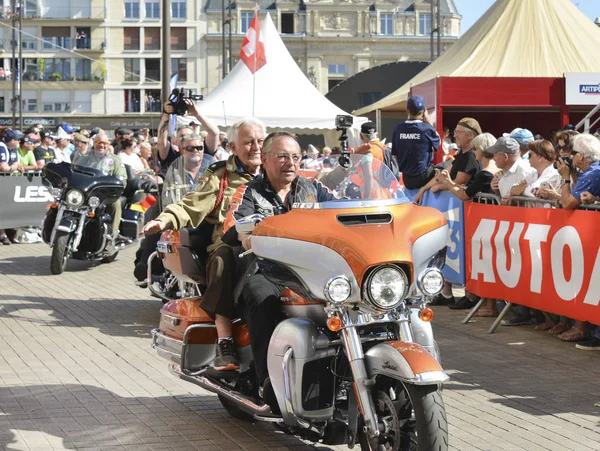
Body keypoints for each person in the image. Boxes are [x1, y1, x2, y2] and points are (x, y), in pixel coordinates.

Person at [140, 118, 266, 372]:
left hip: (276, 242)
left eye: (261, 141)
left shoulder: (277, 170)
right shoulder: (220, 176)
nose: (256, 147)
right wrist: (163, 220)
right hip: (232, 244)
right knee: (223, 259)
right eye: (248, 142)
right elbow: (190, 205)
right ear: (232, 146)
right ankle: (225, 341)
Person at [222, 131, 336, 411]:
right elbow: (233, 225)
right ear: (266, 159)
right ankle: (269, 383)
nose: (290, 163)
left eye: (296, 157)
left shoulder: (313, 189)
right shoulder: (249, 191)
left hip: (310, 268)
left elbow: (341, 209)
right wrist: (248, 234)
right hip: (265, 269)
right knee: (264, 301)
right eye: (283, 156)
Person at [415, 117, 482, 204]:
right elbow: (442, 175)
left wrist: (440, 186)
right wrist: (423, 189)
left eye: (458, 132)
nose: (455, 136)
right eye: (455, 132)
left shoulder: (470, 156)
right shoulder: (462, 154)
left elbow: (458, 183)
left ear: (470, 135)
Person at [78, 132, 129, 242]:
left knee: (116, 203)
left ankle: (112, 235)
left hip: (105, 195)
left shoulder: (115, 160)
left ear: (108, 144)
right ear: (94, 143)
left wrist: (114, 188)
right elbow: (75, 173)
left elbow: (122, 179)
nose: (102, 145)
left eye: (105, 143)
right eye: (99, 142)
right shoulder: (84, 159)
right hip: (87, 194)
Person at [392, 95, 440, 189]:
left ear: (407, 110)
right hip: (423, 177)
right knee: (448, 164)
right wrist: (428, 120)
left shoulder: (398, 129)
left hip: (406, 179)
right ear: (424, 111)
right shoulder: (427, 129)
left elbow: (394, 154)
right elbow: (438, 143)